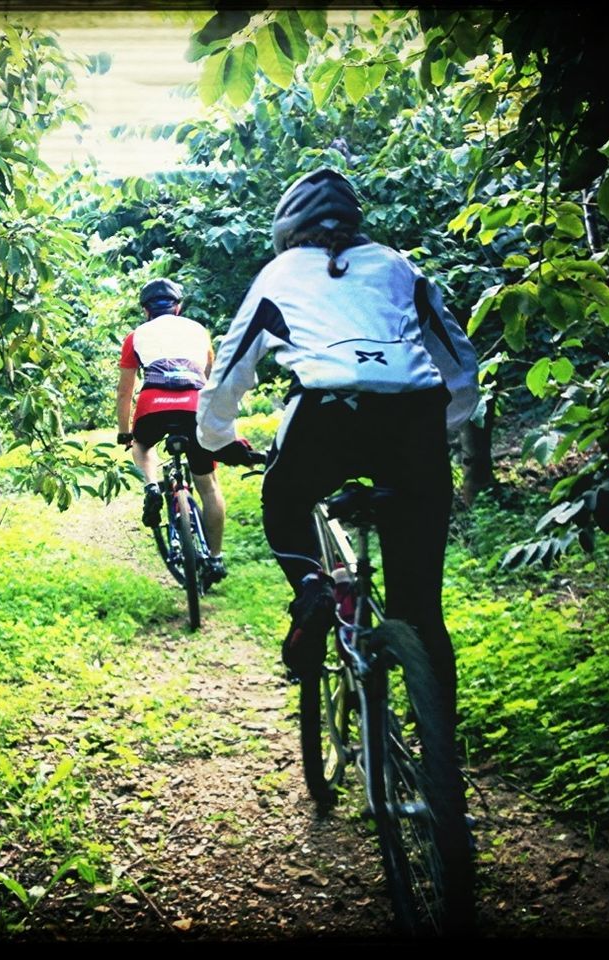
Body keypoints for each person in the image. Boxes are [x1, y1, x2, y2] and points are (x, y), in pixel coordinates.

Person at [195, 168, 478, 719]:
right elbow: (460, 365)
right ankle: (442, 776)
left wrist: (219, 439)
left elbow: (230, 369)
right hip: (414, 423)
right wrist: (435, 430)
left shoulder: (279, 273)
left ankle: (311, 587)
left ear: (287, 228)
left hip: (325, 416)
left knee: (285, 500)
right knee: (422, 611)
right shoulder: (399, 265)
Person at [116, 278, 230, 584]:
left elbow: (125, 392)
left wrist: (124, 432)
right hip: (195, 407)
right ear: (178, 307)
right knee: (208, 487)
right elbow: (209, 376)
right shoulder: (198, 330)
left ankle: (152, 485)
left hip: (153, 404)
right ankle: (216, 559)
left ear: (145, 310)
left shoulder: (135, 336)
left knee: (142, 445)